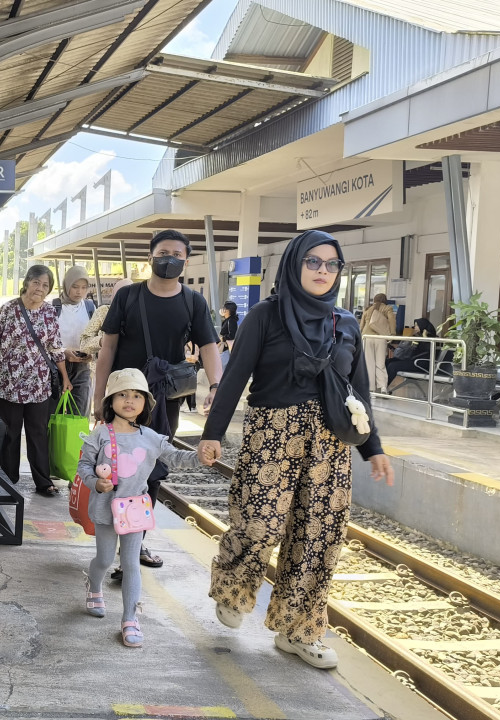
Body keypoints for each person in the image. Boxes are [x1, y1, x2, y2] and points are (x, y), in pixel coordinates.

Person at [198, 231, 395, 671]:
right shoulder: (266, 317)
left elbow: (359, 391)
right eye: (313, 262)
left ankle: (300, 631)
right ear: (294, 264)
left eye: (331, 264)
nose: (323, 271)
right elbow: (235, 379)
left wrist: (373, 448)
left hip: (330, 444)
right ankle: (233, 590)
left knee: (318, 537)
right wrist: (211, 433)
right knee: (259, 522)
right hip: (272, 435)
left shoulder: (346, 324)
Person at [94, 230, 222, 571]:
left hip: (163, 403)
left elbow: (209, 346)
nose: (169, 258)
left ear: (186, 260)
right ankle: (111, 545)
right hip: (121, 399)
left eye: (177, 253)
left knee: (150, 473)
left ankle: (133, 549)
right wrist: (97, 398)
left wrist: (217, 385)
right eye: (163, 252)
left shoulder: (193, 302)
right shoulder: (128, 297)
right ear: (150, 256)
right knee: (114, 470)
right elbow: (107, 349)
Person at [78, 368, 198, 648]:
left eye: (136, 396)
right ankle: (94, 585)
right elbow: (84, 465)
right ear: (110, 401)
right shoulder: (100, 435)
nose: (129, 401)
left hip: (134, 511)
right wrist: (95, 482)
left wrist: (201, 457)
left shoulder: (151, 437)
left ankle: (130, 618)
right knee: (105, 560)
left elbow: (177, 458)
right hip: (107, 508)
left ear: (146, 403)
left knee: (131, 563)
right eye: (122, 395)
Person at [0, 265, 72, 497]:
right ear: (27, 282)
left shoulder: (49, 313)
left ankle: (43, 482)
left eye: (45, 285)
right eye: (36, 283)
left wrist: (65, 378)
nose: (40, 288)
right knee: (10, 433)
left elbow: (55, 348)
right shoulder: (8, 309)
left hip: (39, 386)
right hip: (8, 383)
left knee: (38, 433)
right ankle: (8, 478)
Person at [52, 266, 96, 415]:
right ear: (67, 285)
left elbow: (95, 336)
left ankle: (76, 440)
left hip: (82, 367)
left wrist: (91, 353)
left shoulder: (90, 307)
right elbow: (46, 339)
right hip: (56, 367)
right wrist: (64, 352)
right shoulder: (54, 307)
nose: (79, 291)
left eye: (84, 287)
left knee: (79, 415)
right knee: (52, 417)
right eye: (75, 286)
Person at [78, 278, 132, 359]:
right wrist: (102, 341)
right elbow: (84, 344)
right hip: (106, 368)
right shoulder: (103, 312)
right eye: (119, 296)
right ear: (112, 297)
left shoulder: (142, 314)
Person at [385, 318, 441, 386]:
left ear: (423, 326)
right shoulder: (417, 337)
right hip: (412, 360)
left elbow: (428, 350)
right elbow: (411, 351)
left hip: (421, 364)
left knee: (393, 366)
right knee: (387, 362)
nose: (415, 327)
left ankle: (384, 386)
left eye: (417, 325)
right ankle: (380, 385)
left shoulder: (432, 339)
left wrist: (424, 337)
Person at [359, 293, 395, 393]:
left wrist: (360, 336)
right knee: (380, 363)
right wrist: (392, 334)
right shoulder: (387, 308)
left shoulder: (367, 309)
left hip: (367, 337)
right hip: (380, 337)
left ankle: (371, 389)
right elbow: (392, 321)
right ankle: (383, 386)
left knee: (369, 363)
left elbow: (361, 325)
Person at [219, 301, 239, 367]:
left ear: (228, 311)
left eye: (224, 308)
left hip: (227, 349)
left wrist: (223, 338)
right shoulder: (227, 320)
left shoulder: (231, 321)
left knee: (223, 367)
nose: (222, 310)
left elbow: (232, 335)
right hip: (225, 348)